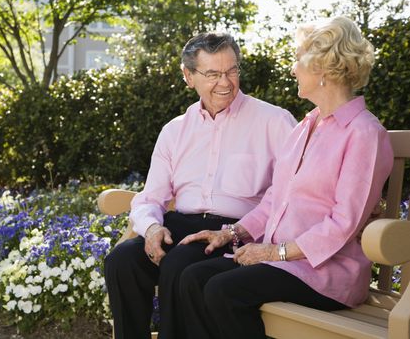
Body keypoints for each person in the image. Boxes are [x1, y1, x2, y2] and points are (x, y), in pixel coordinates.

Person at [178, 16, 394, 339]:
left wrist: (271, 252)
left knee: (223, 291)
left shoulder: (364, 133)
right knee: (192, 278)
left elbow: (342, 224)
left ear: (322, 69)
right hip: (283, 262)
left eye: (297, 60)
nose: (293, 69)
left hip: (327, 274)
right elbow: (273, 201)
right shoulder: (304, 127)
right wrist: (232, 232)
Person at [104, 32, 297, 339]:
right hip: (180, 225)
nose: (225, 82)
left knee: (179, 262)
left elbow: (289, 192)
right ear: (188, 76)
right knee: (122, 261)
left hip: (234, 233)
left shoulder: (274, 121)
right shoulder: (174, 131)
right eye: (212, 74)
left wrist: (240, 231)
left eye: (231, 71)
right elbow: (149, 197)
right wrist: (152, 229)